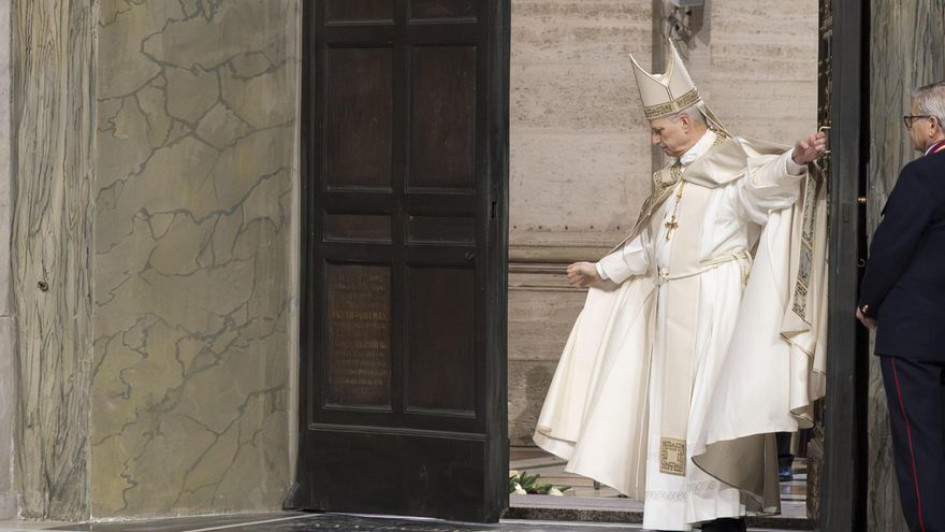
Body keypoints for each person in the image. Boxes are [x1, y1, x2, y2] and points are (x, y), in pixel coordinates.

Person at [533, 39, 828, 532]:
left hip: (716, 307)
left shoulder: (731, 167)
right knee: (670, 418)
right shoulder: (674, 180)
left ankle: (715, 513)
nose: (656, 140)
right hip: (673, 308)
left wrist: (794, 161)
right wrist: (601, 269)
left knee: (709, 416)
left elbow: (765, 188)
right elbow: (650, 248)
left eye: (659, 129)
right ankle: (674, 513)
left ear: (687, 124)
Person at [857, 80, 945, 532]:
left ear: (933, 125)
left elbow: (891, 246)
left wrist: (868, 302)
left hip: (914, 335)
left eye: (913, 120)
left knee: (920, 447)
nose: (911, 129)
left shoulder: (923, 174)